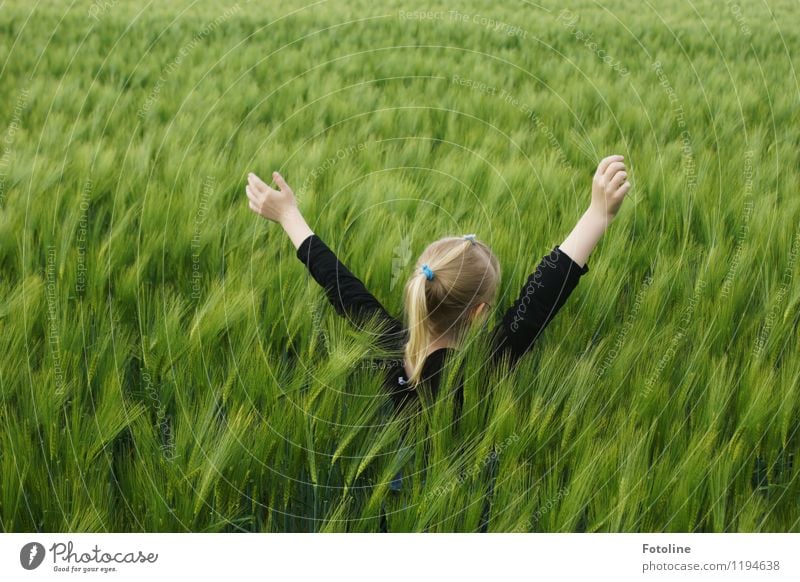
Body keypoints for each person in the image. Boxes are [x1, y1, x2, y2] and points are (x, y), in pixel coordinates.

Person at [245, 154, 631, 411]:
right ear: (479, 313)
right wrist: (599, 213)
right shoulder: (492, 363)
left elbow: (341, 287)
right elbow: (546, 291)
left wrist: (288, 216)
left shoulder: (390, 346)